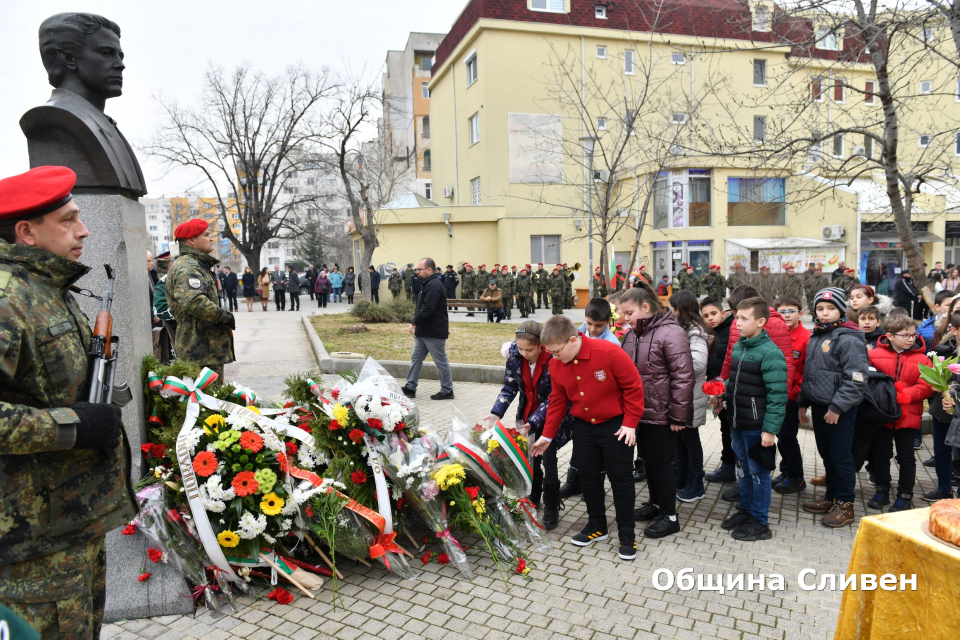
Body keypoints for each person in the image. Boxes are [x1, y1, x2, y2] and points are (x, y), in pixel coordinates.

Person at [0, 166, 136, 639]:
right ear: (27, 232)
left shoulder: (47, 290)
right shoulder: (6, 298)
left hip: (69, 527)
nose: (83, 229)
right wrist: (72, 426)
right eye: (68, 219)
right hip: (31, 547)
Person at [531, 315, 645, 560]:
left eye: (557, 351)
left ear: (573, 340)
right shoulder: (556, 363)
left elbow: (634, 388)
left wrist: (630, 423)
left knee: (620, 479)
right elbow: (558, 401)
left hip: (616, 426)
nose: (553, 356)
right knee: (588, 478)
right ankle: (597, 526)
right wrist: (547, 436)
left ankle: (627, 533)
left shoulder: (609, 352)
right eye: (549, 352)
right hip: (583, 426)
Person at [619, 284, 694, 539]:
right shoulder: (631, 335)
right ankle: (656, 504)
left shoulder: (671, 333)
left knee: (661, 464)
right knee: (648, 462)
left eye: (628, 313)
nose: (624, 318)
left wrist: (678, 416)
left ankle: (670, 516)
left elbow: (683, 377)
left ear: (646, 307)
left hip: (663, 414)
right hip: (640, 413)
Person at [489, 321, 573, 529]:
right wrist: (495, 413)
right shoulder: (515, 358)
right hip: (525, 418)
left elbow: (554, 397)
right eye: (520, 348)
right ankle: (534, 495)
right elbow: (509, 387)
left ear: (542, 346)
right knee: (530, 460)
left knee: (549, 460)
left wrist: (534, 422)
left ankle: (553, 504)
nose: (524, 353)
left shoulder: (553, 359)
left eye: (530, 349)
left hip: (551, 418)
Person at [799, 288, 869, 528]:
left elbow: (857, 379)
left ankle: (845, 503)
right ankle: (831, 496)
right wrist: (803, 402)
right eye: (820, 309)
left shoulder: (848, 338)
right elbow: (811, 374)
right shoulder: (818, 334)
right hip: (819, 406)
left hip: (840, 410)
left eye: (830, 308)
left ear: (841, 310)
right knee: (827, 454)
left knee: (841, 456)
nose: (825, 313)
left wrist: (838, 408)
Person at [721, 297, 787, 541]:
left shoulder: (770, 353)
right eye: (737, 317)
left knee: (759, 473)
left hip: (757, 427)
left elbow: (778, 395)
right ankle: (746, 511)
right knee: (743, 469)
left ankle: (760, 522)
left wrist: (770, 430)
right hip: (738, 422)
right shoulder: (741, 346)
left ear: (760, 321)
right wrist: (721, 389)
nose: (737, 323)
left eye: (744, 318)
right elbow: (738, 383)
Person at [860, 313, 932, 513]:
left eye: (913, 335)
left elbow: (926, 386)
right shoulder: (874, 355)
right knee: (881, 455)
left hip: (908, 415)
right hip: (881, 416)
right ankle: (882, 489)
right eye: (906, 335)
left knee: (906, 457)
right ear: (890, 336)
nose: (911, 339)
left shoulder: (922, 360)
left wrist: (903, 395)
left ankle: (904, 494)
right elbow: (867, 380)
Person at [166, 218, 236, 378]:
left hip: (204, 348)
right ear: (192, 240)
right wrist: (224, 316)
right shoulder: (188, 267)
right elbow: (194, 301)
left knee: (210, 400)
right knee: (206, 400)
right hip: (199, 350)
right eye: (207, 234)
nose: (211, 238)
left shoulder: (195, 264)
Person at [669, 290, 712, 503]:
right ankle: (682, 477)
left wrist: (670, 363)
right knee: (680, 438)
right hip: (681, 395)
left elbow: (697, 364)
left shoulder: (695, 332)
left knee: (690, 439)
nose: (669, 312)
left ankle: (696, 484)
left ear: (680, 310)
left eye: (672, 309)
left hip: (691, 396)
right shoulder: (682, 328)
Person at [772, 295, 810, 494]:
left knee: (788, 437)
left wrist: (795, 394)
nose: (786, 315)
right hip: (775, 396)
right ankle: (785, 471)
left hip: (792, 398)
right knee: (779, 436)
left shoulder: (806, 338)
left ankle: (797, 476)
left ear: (800, 313)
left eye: (791, 311)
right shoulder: (776, 335)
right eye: (781, 311)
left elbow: (807, 372)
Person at [401, 258, 453, 400]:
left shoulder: (434, 285)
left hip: (433, 331)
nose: (417, 272)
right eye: (417, 269)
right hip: (423, 331)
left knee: (440, 361)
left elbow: (428, 308)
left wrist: (414, 322)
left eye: (419, 269)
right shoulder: (427, 283)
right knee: (416, 358)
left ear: (429, 270)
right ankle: (410, 387)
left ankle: (447, 389)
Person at [701, 296, 737, 484]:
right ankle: (727, 467)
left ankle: (734, 467)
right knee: (725, 429)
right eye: (705, 315)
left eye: (714, 313)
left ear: (723, 313)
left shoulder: (734, 329)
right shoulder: (709, 332)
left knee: (733, 431)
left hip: (732, 390)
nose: (710, 318)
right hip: (718, 391)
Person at [926, 310, 960, 502]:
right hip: (943, 411)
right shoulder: (942, 351)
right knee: (941, 451)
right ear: (954, 330)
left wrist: (953, 393)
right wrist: (935, 385)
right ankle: (944, 488)